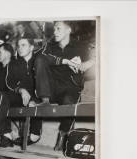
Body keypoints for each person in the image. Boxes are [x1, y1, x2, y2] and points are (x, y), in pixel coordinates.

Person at [34, 21, 95, 151]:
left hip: (70, 86)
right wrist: (64, 61)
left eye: (58, 28)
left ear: (68, 30)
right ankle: (45, 100)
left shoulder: (81, 46)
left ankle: (63, 135)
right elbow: (40, 57)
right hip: (52, 88)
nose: (54, 32)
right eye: (54, 29)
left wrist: (86, 64)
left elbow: (100, 56)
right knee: (39, 60)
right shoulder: (50, 46)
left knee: (69, 101)